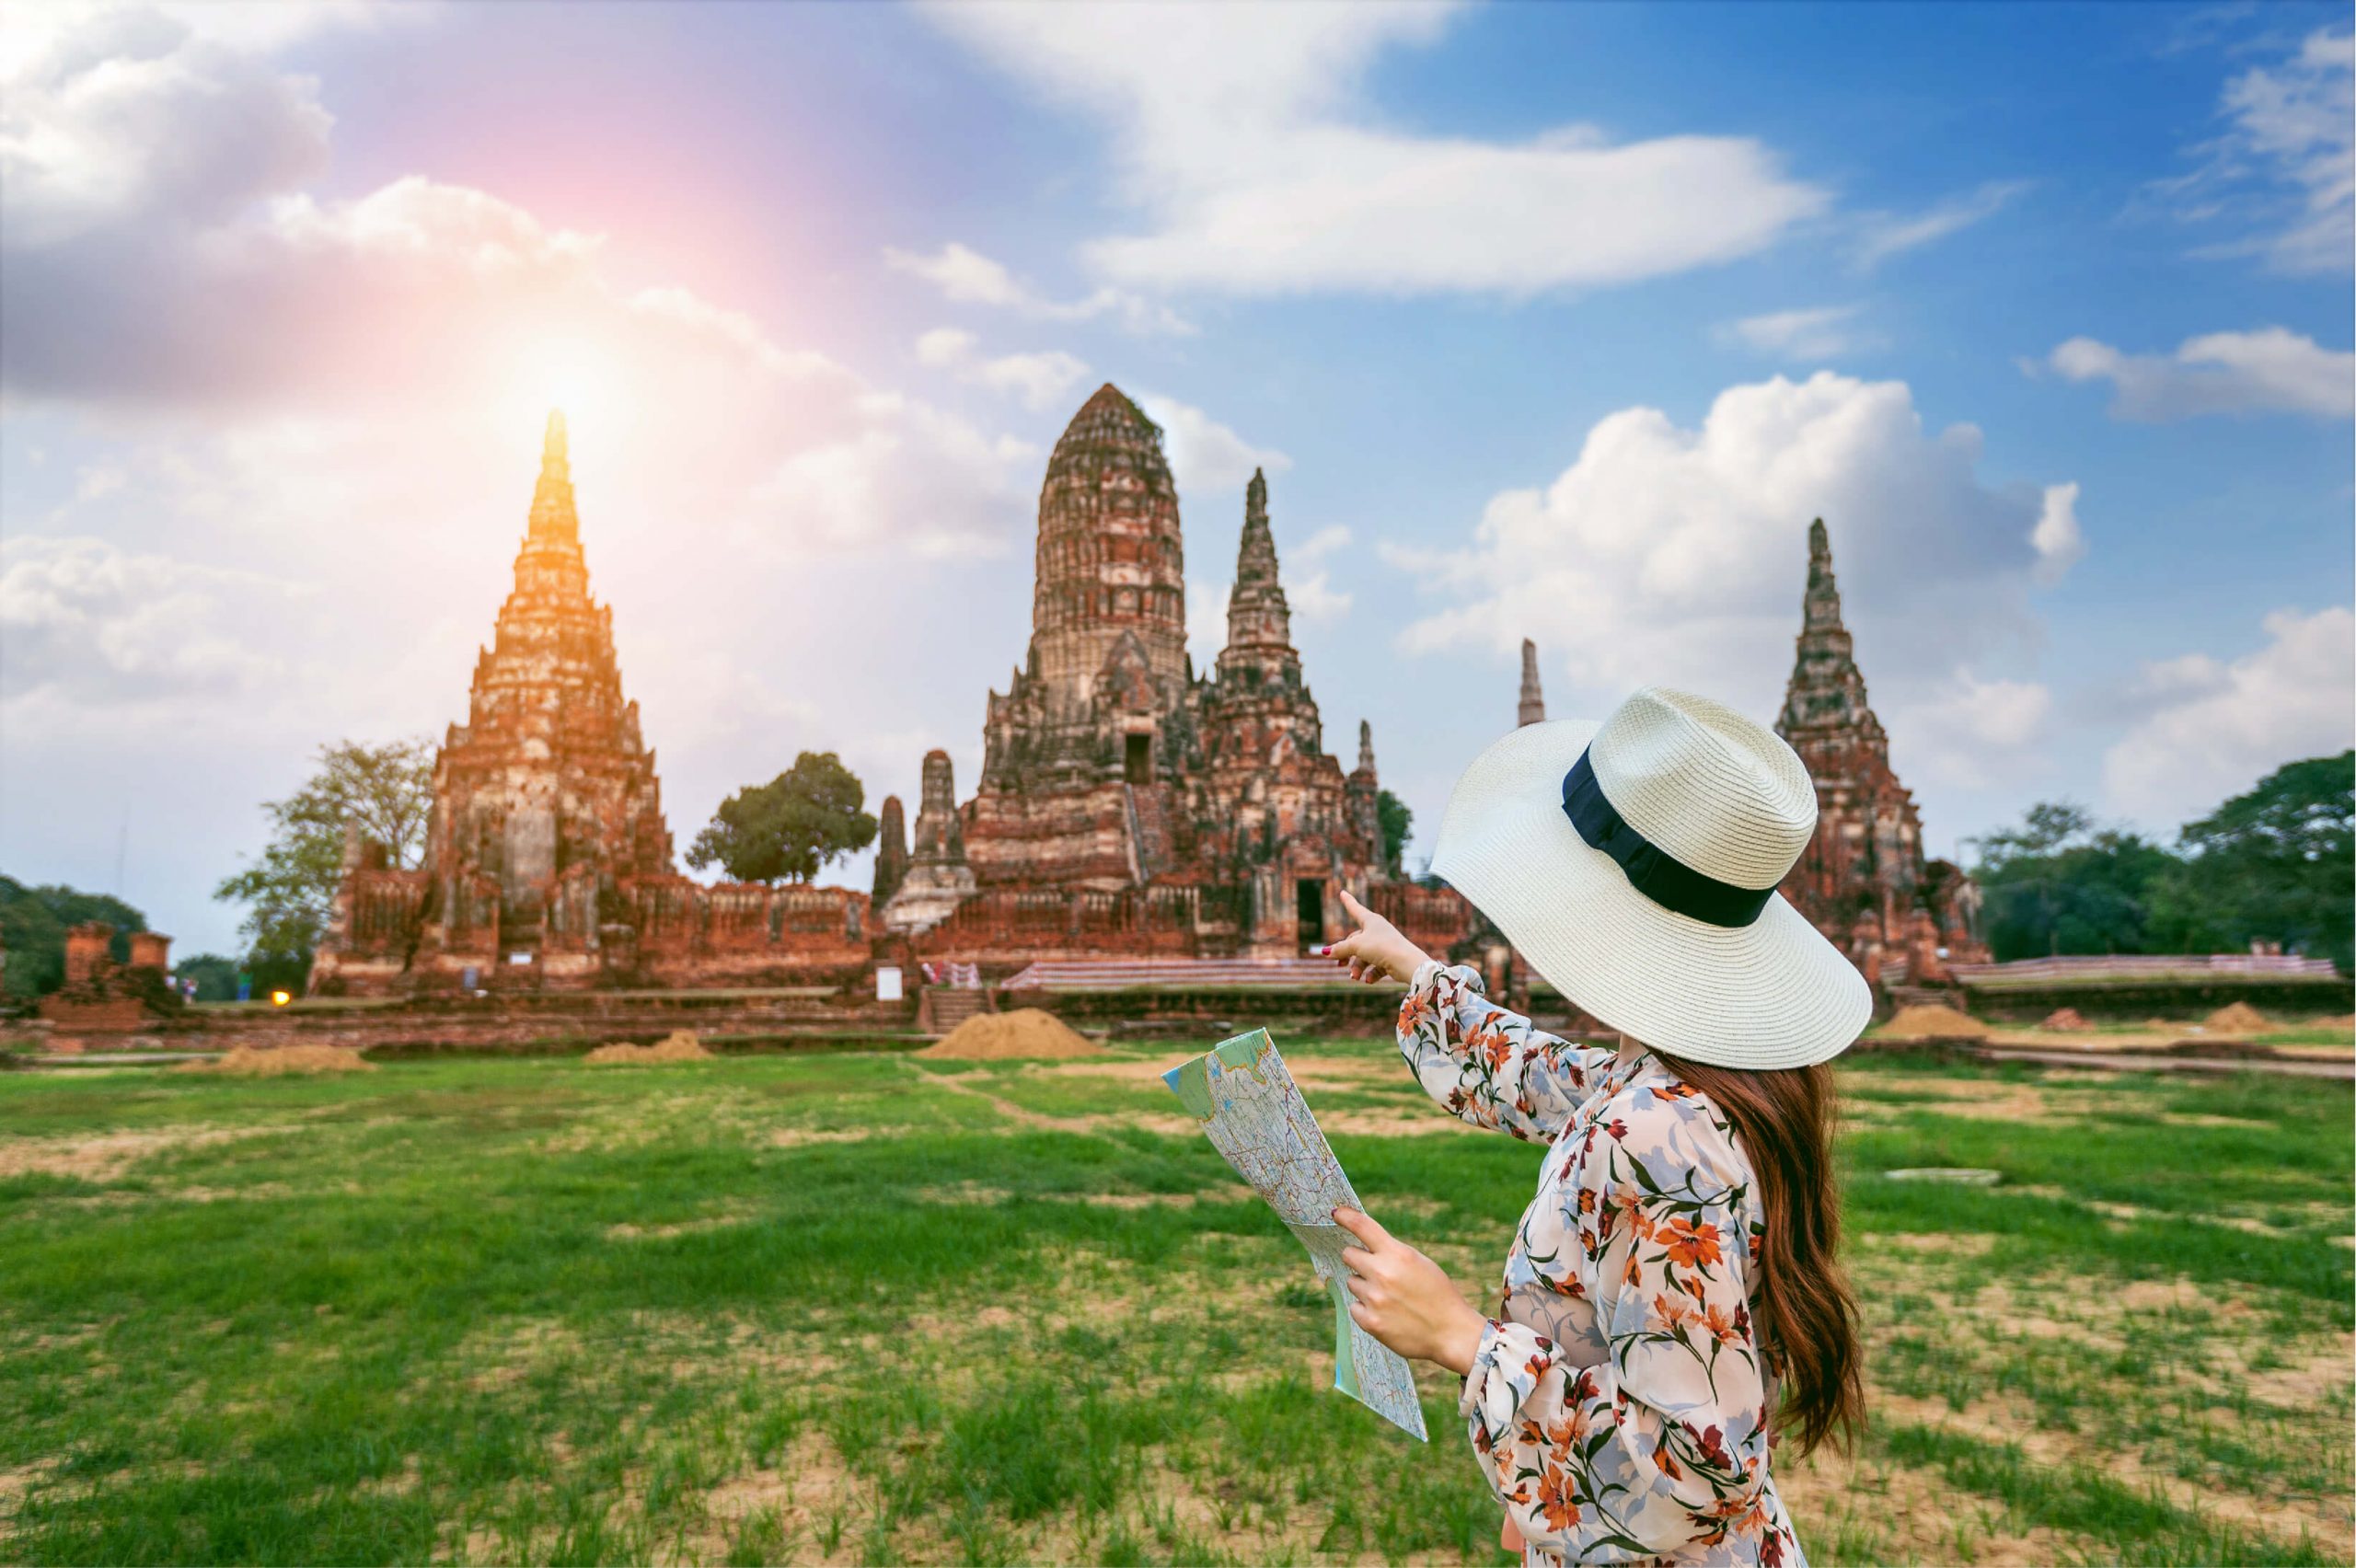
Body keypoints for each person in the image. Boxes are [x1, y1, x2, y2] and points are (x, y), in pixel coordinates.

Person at [1322, 686, 1870, 1567]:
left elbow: (1694, 1477)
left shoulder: (1658, 1133)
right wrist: (1419, 972)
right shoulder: (1696, 1084)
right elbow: (1554, 1082)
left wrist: (1461, 1338)